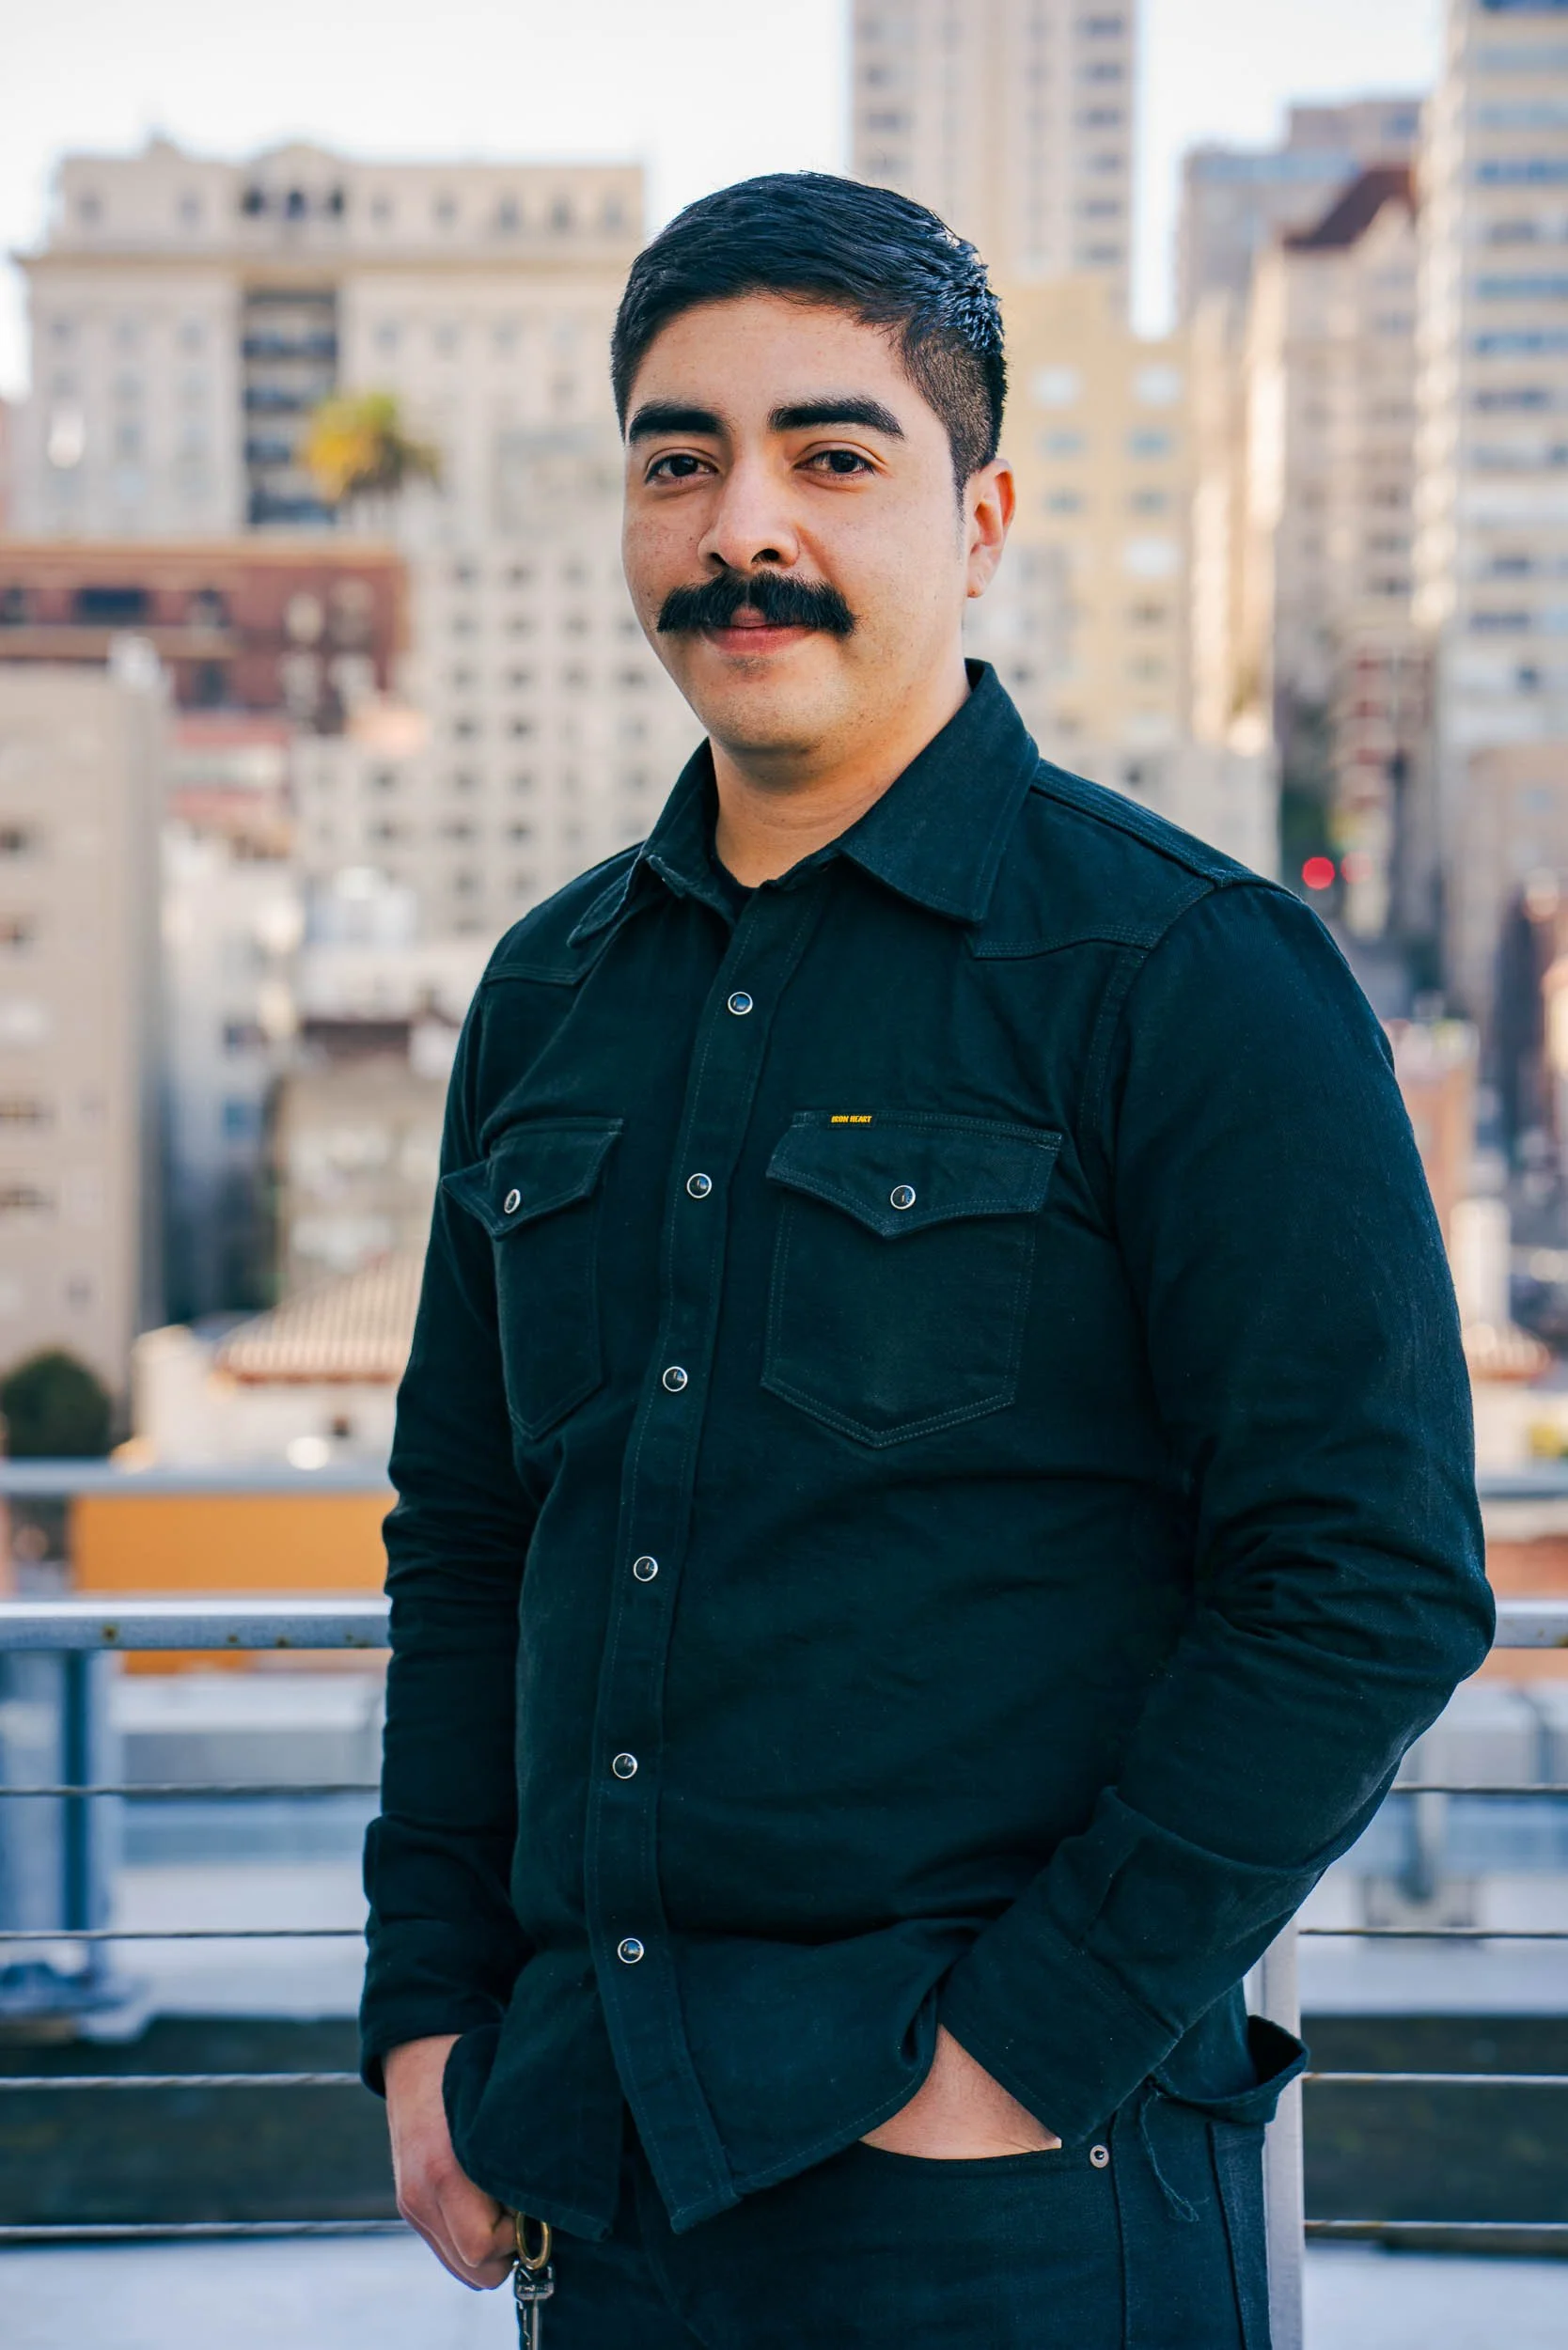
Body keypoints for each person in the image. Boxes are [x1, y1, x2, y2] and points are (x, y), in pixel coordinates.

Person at [361, 173, 1492, 2347]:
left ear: (979, 521)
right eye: (679, 462)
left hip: (1013, 2211)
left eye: (831, 456)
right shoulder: (546, 993)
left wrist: (1009, 2066)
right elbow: (474, 1535)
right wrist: (425, 2017)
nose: (743, 527)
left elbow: (1368, 1575)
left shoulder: (1187, 970)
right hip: (602, 2179)